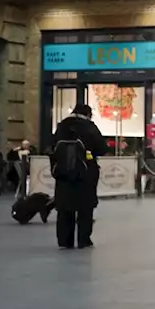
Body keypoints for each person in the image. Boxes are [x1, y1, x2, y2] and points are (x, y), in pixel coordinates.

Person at [51, 104, 106, 248]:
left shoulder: (62, 126)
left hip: (63, 175)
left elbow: (51, 147)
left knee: (64, 208)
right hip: (85, 174)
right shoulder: (89, 127)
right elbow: (102, 148)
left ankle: (64, 240)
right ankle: (83, 239)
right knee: (85, 208)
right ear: (88, 114)